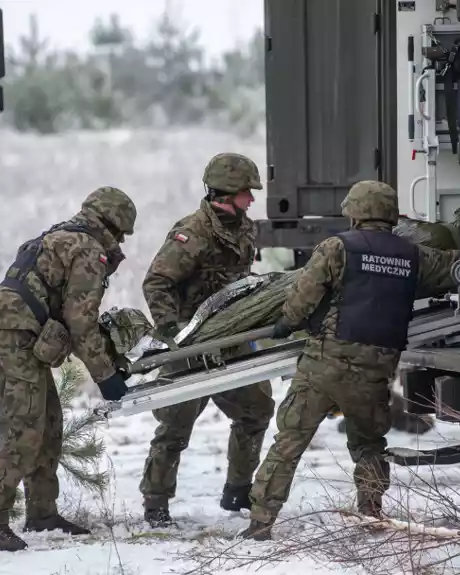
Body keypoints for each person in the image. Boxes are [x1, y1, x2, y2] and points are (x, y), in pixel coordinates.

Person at [240, 180, 459, 540]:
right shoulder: (413, 256)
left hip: (324, 364)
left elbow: (304, 294)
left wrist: (286, 324)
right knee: (369, 445)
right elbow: (451, 270)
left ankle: (261, 522)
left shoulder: (337, 248)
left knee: (290, 441)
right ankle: (372, 514)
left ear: (355, 213)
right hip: (375, 369)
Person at [0, 186, 138, 551]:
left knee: (48, 423)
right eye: (123, 233)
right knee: (24, 427)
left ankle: (42, 514)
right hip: (12, 332)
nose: (121, 241)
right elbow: (81, 321)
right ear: (114, 224)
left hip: (15, 328)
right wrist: (105, 374)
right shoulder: (88, 249)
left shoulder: (62, 235)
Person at [138, 152, 276, 528]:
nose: (252, 199)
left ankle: (238, 489)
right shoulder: (192, 234)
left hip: (231, 338)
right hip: (190, 344)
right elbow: (157, 282)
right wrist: (169, 331)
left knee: (257, 409)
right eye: (247, 192)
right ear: (226, 193)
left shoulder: (245, 228)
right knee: (175, 425)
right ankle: (156, 501)